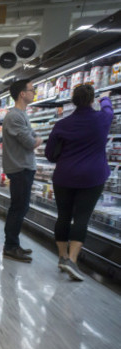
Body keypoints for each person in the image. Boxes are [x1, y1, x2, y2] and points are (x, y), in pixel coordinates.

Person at [45, 86, 113, 281]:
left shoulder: (62, 124)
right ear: (92, 100)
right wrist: (105, 99)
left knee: (63, 216)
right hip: (92, 177)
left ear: (73, 100)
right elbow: (109, 110)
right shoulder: (101, 119)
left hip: (64, 177)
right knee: (81, 217)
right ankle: (72, 261)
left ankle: (62, 257)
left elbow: (50, 154)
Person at [2, 79, 43, 262]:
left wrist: (35, 139)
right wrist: (36, 140)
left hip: (23, 167)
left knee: (20, 207)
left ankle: (14, 244)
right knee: (18, 208)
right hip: (20, 168)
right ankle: (10, 246)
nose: (34, 93)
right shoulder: (15, 116)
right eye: (32, 90)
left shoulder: (21, 114)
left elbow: (31, 138)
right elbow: (30, 141)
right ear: (22, 94)